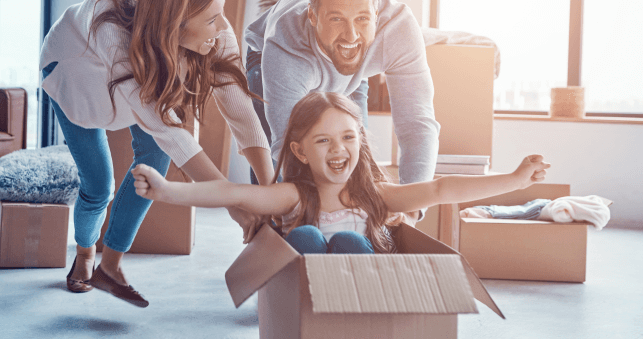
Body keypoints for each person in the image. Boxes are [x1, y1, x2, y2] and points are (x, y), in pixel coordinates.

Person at [39, 0, 274, 307]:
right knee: (99, 185)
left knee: (155, 163)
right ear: (176, 25)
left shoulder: (213, 35)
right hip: (76, 81)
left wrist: (269, 193)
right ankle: (86, 253)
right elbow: (173, 133)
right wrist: (235, 203)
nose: (225, 27)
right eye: (212, 19)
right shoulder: (113, 36)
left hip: (137, 83)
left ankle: (111, 267)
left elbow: (241, 112)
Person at [132, 92, 550, 254]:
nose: (339, 150)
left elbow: (442, 188)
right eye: (323, 141)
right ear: (299, 150)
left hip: (359, 302)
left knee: (350, 239)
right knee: (306, 236)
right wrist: (169, 191)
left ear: (361, 142)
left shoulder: (377, 197)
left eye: (349, 138)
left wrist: (514, 181)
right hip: (304, 303)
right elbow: (234, 194)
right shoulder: (295, 194)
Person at [244, 0, 440, 222]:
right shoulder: (285, 46)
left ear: (376, 12)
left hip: (351, 71)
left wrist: (409, 208)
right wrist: (309, 214)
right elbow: (287, 146)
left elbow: (417, 123)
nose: (351, 34)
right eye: (336, 19)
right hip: (267, 57)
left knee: (356, 152)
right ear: (313, 16)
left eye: (362, 19)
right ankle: (267, 232)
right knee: (275, 182)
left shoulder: (399, 29)